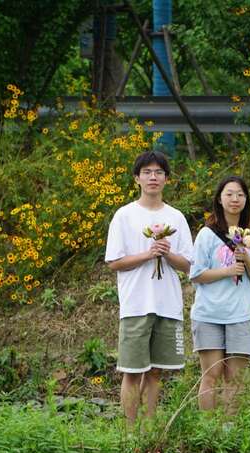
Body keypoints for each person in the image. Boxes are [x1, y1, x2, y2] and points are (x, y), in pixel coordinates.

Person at [105, 150, 193, 426]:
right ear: (137, 178)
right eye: (147, 172)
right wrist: (148, 254)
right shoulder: (124, 215)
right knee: (132, 371)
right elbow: (114, 262)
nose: (153, 177)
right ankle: (129, 432)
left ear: (167, 179)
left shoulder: (176, 217)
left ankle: (150, 427)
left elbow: (188, 265)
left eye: (159, 172)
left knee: (156, 372)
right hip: (136, 305)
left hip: (168, 304)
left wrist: (167, 253)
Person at [190, 176, 250, 414]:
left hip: (241, 313)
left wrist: (246, 256)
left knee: (236, 378)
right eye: (229, 194)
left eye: (240, 195)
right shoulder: (207, 234)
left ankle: (229, 428)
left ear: (246, 200)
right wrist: (227, 271)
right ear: (219, 199)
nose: (235, 199)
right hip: (209, 313)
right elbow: (196, 274)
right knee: (211, 375)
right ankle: (208, 428)